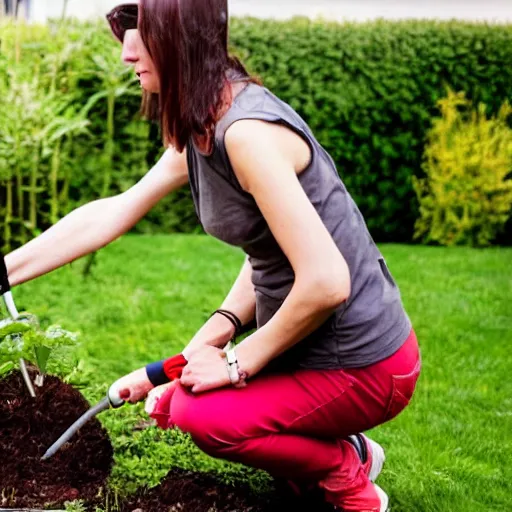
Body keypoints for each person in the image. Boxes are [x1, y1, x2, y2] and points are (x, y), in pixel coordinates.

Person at [6, 1, 421, 510]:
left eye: (141, 32)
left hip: (364, 363)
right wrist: (5, 272)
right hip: (308, 349)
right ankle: (348, 448)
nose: (126, 53)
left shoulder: (246, 134)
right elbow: (115, 214)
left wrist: (235, 363)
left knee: (203, 416)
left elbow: (327, 280)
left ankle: (348, 477)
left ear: (184, 39)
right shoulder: (203, 127)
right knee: (180, 399)